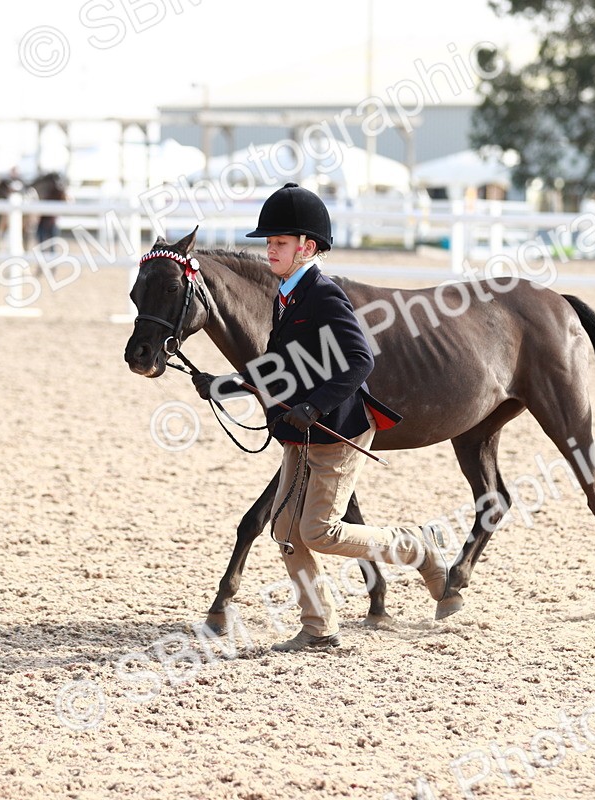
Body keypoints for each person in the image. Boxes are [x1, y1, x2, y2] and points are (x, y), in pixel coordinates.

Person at [191, 182, 460, 652]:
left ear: (306, 248)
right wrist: (223, 385)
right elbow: (277, 365)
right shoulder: (286, 294)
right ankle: (319, 627)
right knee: (286, 530)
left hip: (336, 428)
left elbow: (360, 360)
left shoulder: (323, 294)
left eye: (279, 244)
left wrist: (314, 405)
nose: (269, 250)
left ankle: (418, 547)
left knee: (319, 530)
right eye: (269, 243)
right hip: (301, 432)